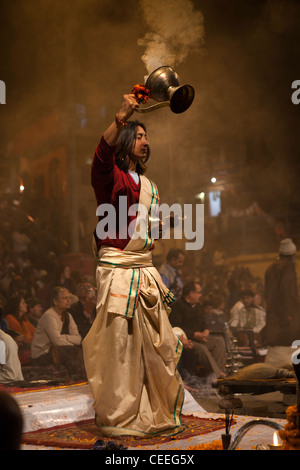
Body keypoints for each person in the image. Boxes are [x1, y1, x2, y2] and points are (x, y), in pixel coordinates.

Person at [82, 93, 184, 438]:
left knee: (152, 348)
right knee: (120, 348)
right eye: (139, 136)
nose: (146, 142)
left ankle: (151, 409)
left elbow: (139, 228)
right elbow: (100, 154)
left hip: (144, 271)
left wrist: (160, 226)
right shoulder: (109, 176)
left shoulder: (149, 186)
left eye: (146, 137)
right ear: (126, 140)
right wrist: (122, 116)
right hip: (119, 272)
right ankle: (121, 412)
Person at [170, 281, 227, 378]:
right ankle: (218, 375)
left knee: (219, 341)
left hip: (200, 337)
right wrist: (195, 334)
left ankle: (217, 373)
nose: (200, 295)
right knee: (202, 349)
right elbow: (175, 327)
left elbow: (203, 322)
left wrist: (206, 331)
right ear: (191, 294)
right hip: (187, 339)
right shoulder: (177, 306)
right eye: (199, 292)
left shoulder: (197, 306)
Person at [31, 286, 85, 379]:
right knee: (71, 351)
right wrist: (68, 342)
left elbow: (78, 339)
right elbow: (58, 342)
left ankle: (81, 378)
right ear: (55, 301)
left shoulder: (68, 316)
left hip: (57, 349)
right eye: (65, 298)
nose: (68, 301)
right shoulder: (49, 316)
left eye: (69, 298)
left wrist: (64, 337)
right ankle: (80, 378)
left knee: (80, 349)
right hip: (42, 354)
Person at [264, 238, 300, 346]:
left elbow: (268, 294)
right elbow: (288, 292)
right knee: (291, 347)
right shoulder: (288, 268)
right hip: (287, 317)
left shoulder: (270, 268)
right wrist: (288, 313)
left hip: (274, 316)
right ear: (291, 255)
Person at [3, 296, 35, 364]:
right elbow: (22, 339)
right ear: (16, 306)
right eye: (23, 303)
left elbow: (36, 333)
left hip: (28, 348)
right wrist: (35, 340)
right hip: (17, 352)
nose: (26, 305)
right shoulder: (10, 318)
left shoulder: (24, 320)